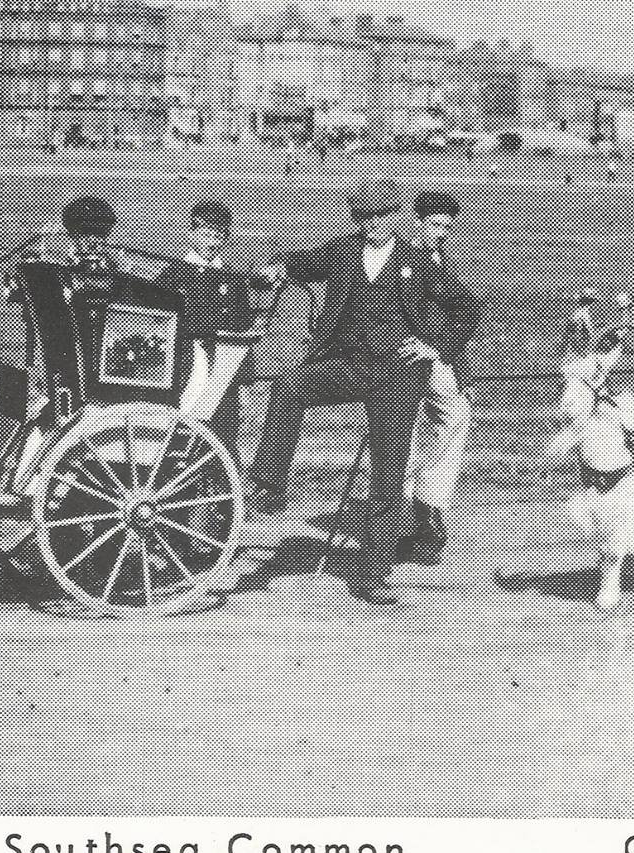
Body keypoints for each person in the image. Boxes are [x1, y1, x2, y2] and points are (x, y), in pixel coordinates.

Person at [245, 176, 480, 604]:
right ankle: (269, 483)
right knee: (289, 383)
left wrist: (435, 346)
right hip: (349, 365)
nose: (373, 224)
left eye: (381, 216)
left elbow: (468, 307)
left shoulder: (421, 263)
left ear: (395, 218)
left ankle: (373, 574)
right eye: (365, 217)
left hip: (399, 376)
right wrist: (273, 267)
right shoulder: (342, 251)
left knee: (388, 475)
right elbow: (295, 264)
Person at [403, 189, 481, 566]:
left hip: (434, 359)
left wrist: (441, 348)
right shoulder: (413, 257)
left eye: (447, 226)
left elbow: (462, 307)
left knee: (451, 422)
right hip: (406, 359)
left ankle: (423, 511)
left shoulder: (434, 256)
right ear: (418, 221)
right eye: (435, 224)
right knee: (443, 421)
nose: (442, 231)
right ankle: (416, 511)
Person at [153, 200, 266, 449]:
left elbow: (242, 331)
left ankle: (222, 485)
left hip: (223, 369)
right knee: (181, 432)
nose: (212, 243)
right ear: (191, 234)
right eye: (206, 234)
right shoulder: (172, 276)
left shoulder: (233, 280)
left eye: (219, 236)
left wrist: (245, 384)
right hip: (182, 366)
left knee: (224, 435)